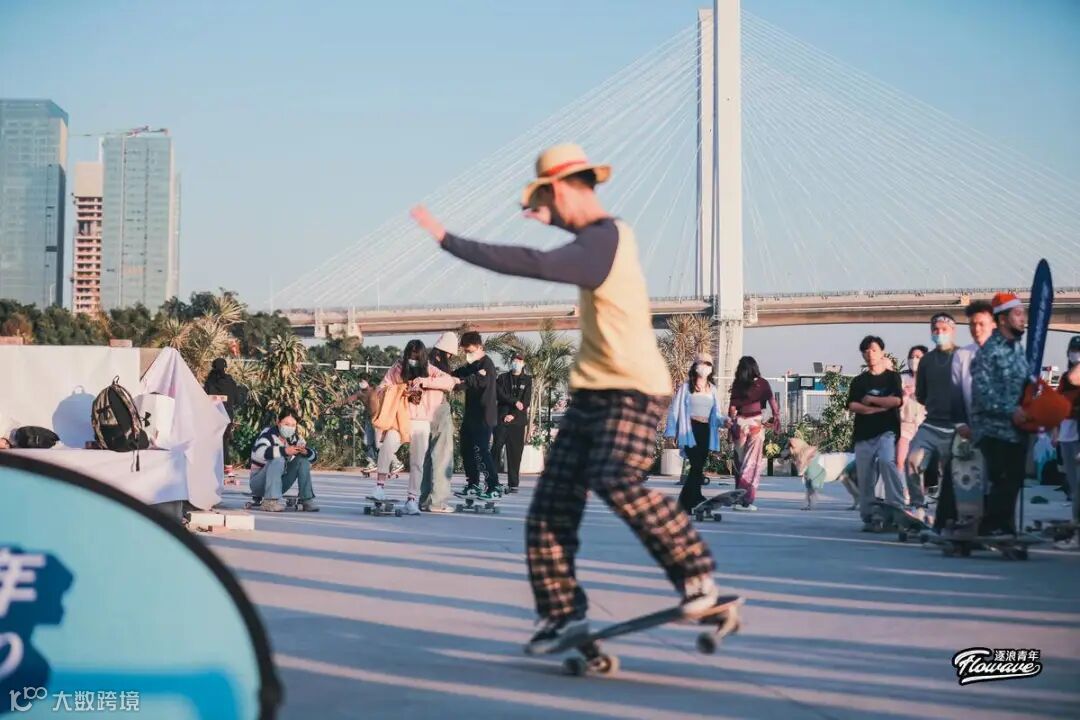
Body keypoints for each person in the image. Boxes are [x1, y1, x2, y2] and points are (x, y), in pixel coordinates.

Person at [410, 143, 720, 655]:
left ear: (558, 189)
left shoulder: (607, 238)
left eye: (549, 204)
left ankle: (695, 574)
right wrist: (553, 219)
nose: (548, 215)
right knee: (550, 507)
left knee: (615, 478)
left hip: (632, 387)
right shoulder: (596, 239)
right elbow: (572, 234)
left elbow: (536, 263)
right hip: (591, 393)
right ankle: (561, 614)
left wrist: (450, 241)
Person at [372, 340, 459, 515]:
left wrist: (424, 382)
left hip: (421, 421)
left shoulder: (430, 370)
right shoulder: (397, 368)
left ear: (422, 357)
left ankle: (411, 500)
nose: (412, 360)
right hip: (400, 418)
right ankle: (379, 487)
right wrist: (399, 389)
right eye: (410, 357)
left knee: (417, 462)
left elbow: (449, 382)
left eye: (416, 358)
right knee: (387, 447)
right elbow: (381, 388)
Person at [971, 292, 1031, 536]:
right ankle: (987, 526)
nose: (1023, 319)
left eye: (1023, 314)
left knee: (1014, 479)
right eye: (1018, 314)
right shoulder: (989, 351)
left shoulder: (1018, 350)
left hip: (1017, 430)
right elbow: (982, 393)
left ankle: (1003, 526)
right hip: (993, 430)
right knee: (1003, 479)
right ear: (1003, 319)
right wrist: (1011, 410)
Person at [848, 335, 906, 531]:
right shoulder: (859, 381)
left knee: (887, 462)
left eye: (873, 350)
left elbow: (896, 401)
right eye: (866, 351)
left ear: (882, 352)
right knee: (865, 476)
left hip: (887, 431)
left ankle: (897, 509)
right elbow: (853, 405)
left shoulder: (892, 377)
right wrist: (877, 408)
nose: (870, 354)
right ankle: (870, 516)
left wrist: (871, 400)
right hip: (863, 434)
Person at [903, 317, 958, 520]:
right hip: (931, 424)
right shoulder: (926, 361)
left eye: (944, 329)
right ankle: (918, 505)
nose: (939, 333)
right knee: (912, 460)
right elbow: (921, 394)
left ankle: (949, 511)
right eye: (935, 329)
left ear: (952, 330)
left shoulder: (962, 357)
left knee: (951, 471)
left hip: (956, 426)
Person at [666, 353, 723, 512]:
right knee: (696, 465)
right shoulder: (686, 388)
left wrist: (726, 421)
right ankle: (694, 498)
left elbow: (717, 414)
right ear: (695, 366)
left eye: (708, 364)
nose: (705, 367)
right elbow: (674, 410)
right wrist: (671, 432)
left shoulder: (712, 389)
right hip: (689, 430)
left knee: (698, 467)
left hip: (705, 430)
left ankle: (687, 501)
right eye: (702, 363)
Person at [453, 331, 503, 499]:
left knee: (482, 451)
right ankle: (473, 484)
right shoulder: (473, 365)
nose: (467, 354)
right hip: (470, 415)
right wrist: (449, 378)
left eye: (469, 351)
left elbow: (475, 382)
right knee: (466, 448)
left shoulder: (487, 365)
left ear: (480, 347)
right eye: (465, 351)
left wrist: (465, 381)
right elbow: (460, 374)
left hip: (484, 416)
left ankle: (494, 486)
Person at [728, 356, 779, 511]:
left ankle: (737, 498)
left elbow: (732, 408)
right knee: (752, 463)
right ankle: (745, 500)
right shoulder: (762, 383)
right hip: (756, 424)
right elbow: (773, 404)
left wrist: (730, 427)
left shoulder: (738, 383)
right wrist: (775, 419)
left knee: (740, 462)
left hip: (739, 424)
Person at [420, 331, 461, 512]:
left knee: (427, 458)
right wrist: (454, 380)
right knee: (443, 456)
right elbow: (448, 383)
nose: (450, 358)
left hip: (424, 413)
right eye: (449, 355)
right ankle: (438, 501)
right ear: (445, 353)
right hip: (439, 410)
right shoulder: (436, 367)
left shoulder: (424, 363)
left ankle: (425, 499)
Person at [249, 408, 319, 512]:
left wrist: (306, 452)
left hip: (278, 484)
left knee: (303, 460)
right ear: (278, 422)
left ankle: (306, 500)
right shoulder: (268, 434)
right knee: (278, 459)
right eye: (286, 424)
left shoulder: (293, 438)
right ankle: (270, 502)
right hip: (259, 484)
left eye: (293, 425)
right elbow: (259, 452)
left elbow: (314, 457)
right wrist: (284, 451)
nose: (289, 428)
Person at [1052, 337, 1080, 549]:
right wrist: (1055, 432)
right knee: (1074, 487)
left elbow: (1074, 377)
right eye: (1074, 350)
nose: (1076, 354)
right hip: (1067, 435)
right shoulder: (1063, 378)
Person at [492, 352, 533, 494]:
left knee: (515, 453)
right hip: (501, 419)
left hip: (517, 421)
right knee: (496, 448)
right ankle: (492, 481)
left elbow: (526, 401)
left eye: (519, 361)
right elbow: (499, 395)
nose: (516, 363)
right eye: (514, 360)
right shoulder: (502, 378)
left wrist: (513, 415)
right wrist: (514, 402)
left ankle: (513, 484)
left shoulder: (527, 380)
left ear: (523, 363)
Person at [204, 357, 246, 482]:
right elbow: (237, 399)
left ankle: (211, 467)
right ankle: (227, 467)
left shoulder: (209, 382)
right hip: (227, 415)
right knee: (224, 441)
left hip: (212, 415)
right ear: (225, 368)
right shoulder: (230, 382)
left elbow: (204, 398)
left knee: (211, 441)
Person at [897, 345, 927, 472]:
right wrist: (904, 395)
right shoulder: (902, 379)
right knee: (900, 460)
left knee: (917, 463)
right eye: (912, 357)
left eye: (918, 357)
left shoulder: (930, 379)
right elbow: (896, 402)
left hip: (923, 426)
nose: (914, 360)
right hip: (906, 425)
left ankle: (917, 484)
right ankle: (899, 483)